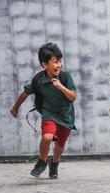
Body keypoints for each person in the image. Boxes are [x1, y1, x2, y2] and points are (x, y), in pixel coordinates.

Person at [10, 42, 77, 179]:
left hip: (66, 116)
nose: (59, 65)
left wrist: (61, 87)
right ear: (44, 65)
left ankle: (55, 163)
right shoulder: (39, 80)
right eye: (55, 62)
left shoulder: (65, 77)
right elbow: (25, 93)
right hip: (49, 114)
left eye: (60, 61)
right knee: (47, 136)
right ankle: (42, 161)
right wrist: (15, 108)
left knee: (60, 145)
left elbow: (73, 97)